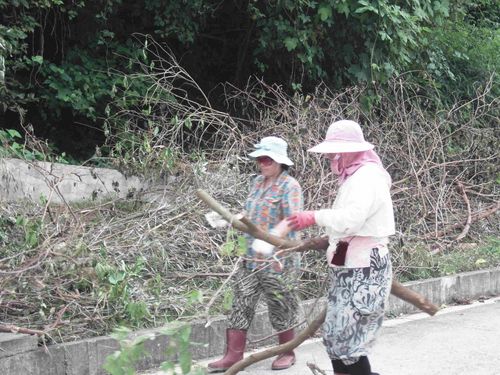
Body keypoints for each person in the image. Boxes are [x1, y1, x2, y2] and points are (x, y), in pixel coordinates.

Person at [287, 120, 395, 375]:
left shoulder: (367, 177)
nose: (334, 158)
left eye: (339, 151)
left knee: (349, 342)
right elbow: (347, 221)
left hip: (364, 269)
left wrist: (314, 217)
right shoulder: (355, 176)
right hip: (351, 265)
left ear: (355, 150)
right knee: (338, 337)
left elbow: (351, 220)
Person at [207, 136, 304, 373]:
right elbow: (250, 213)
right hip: (250, 258)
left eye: (267, 159)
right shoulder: (257, 183)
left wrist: (274, 243)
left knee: (280, 306)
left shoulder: (290, 186)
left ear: (280, 161)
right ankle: (232, 356)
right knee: (240, 304)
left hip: (278, 259)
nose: (262, 163)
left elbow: (294, 220)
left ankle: (286, 351)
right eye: (259, 159)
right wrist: (229, 219)